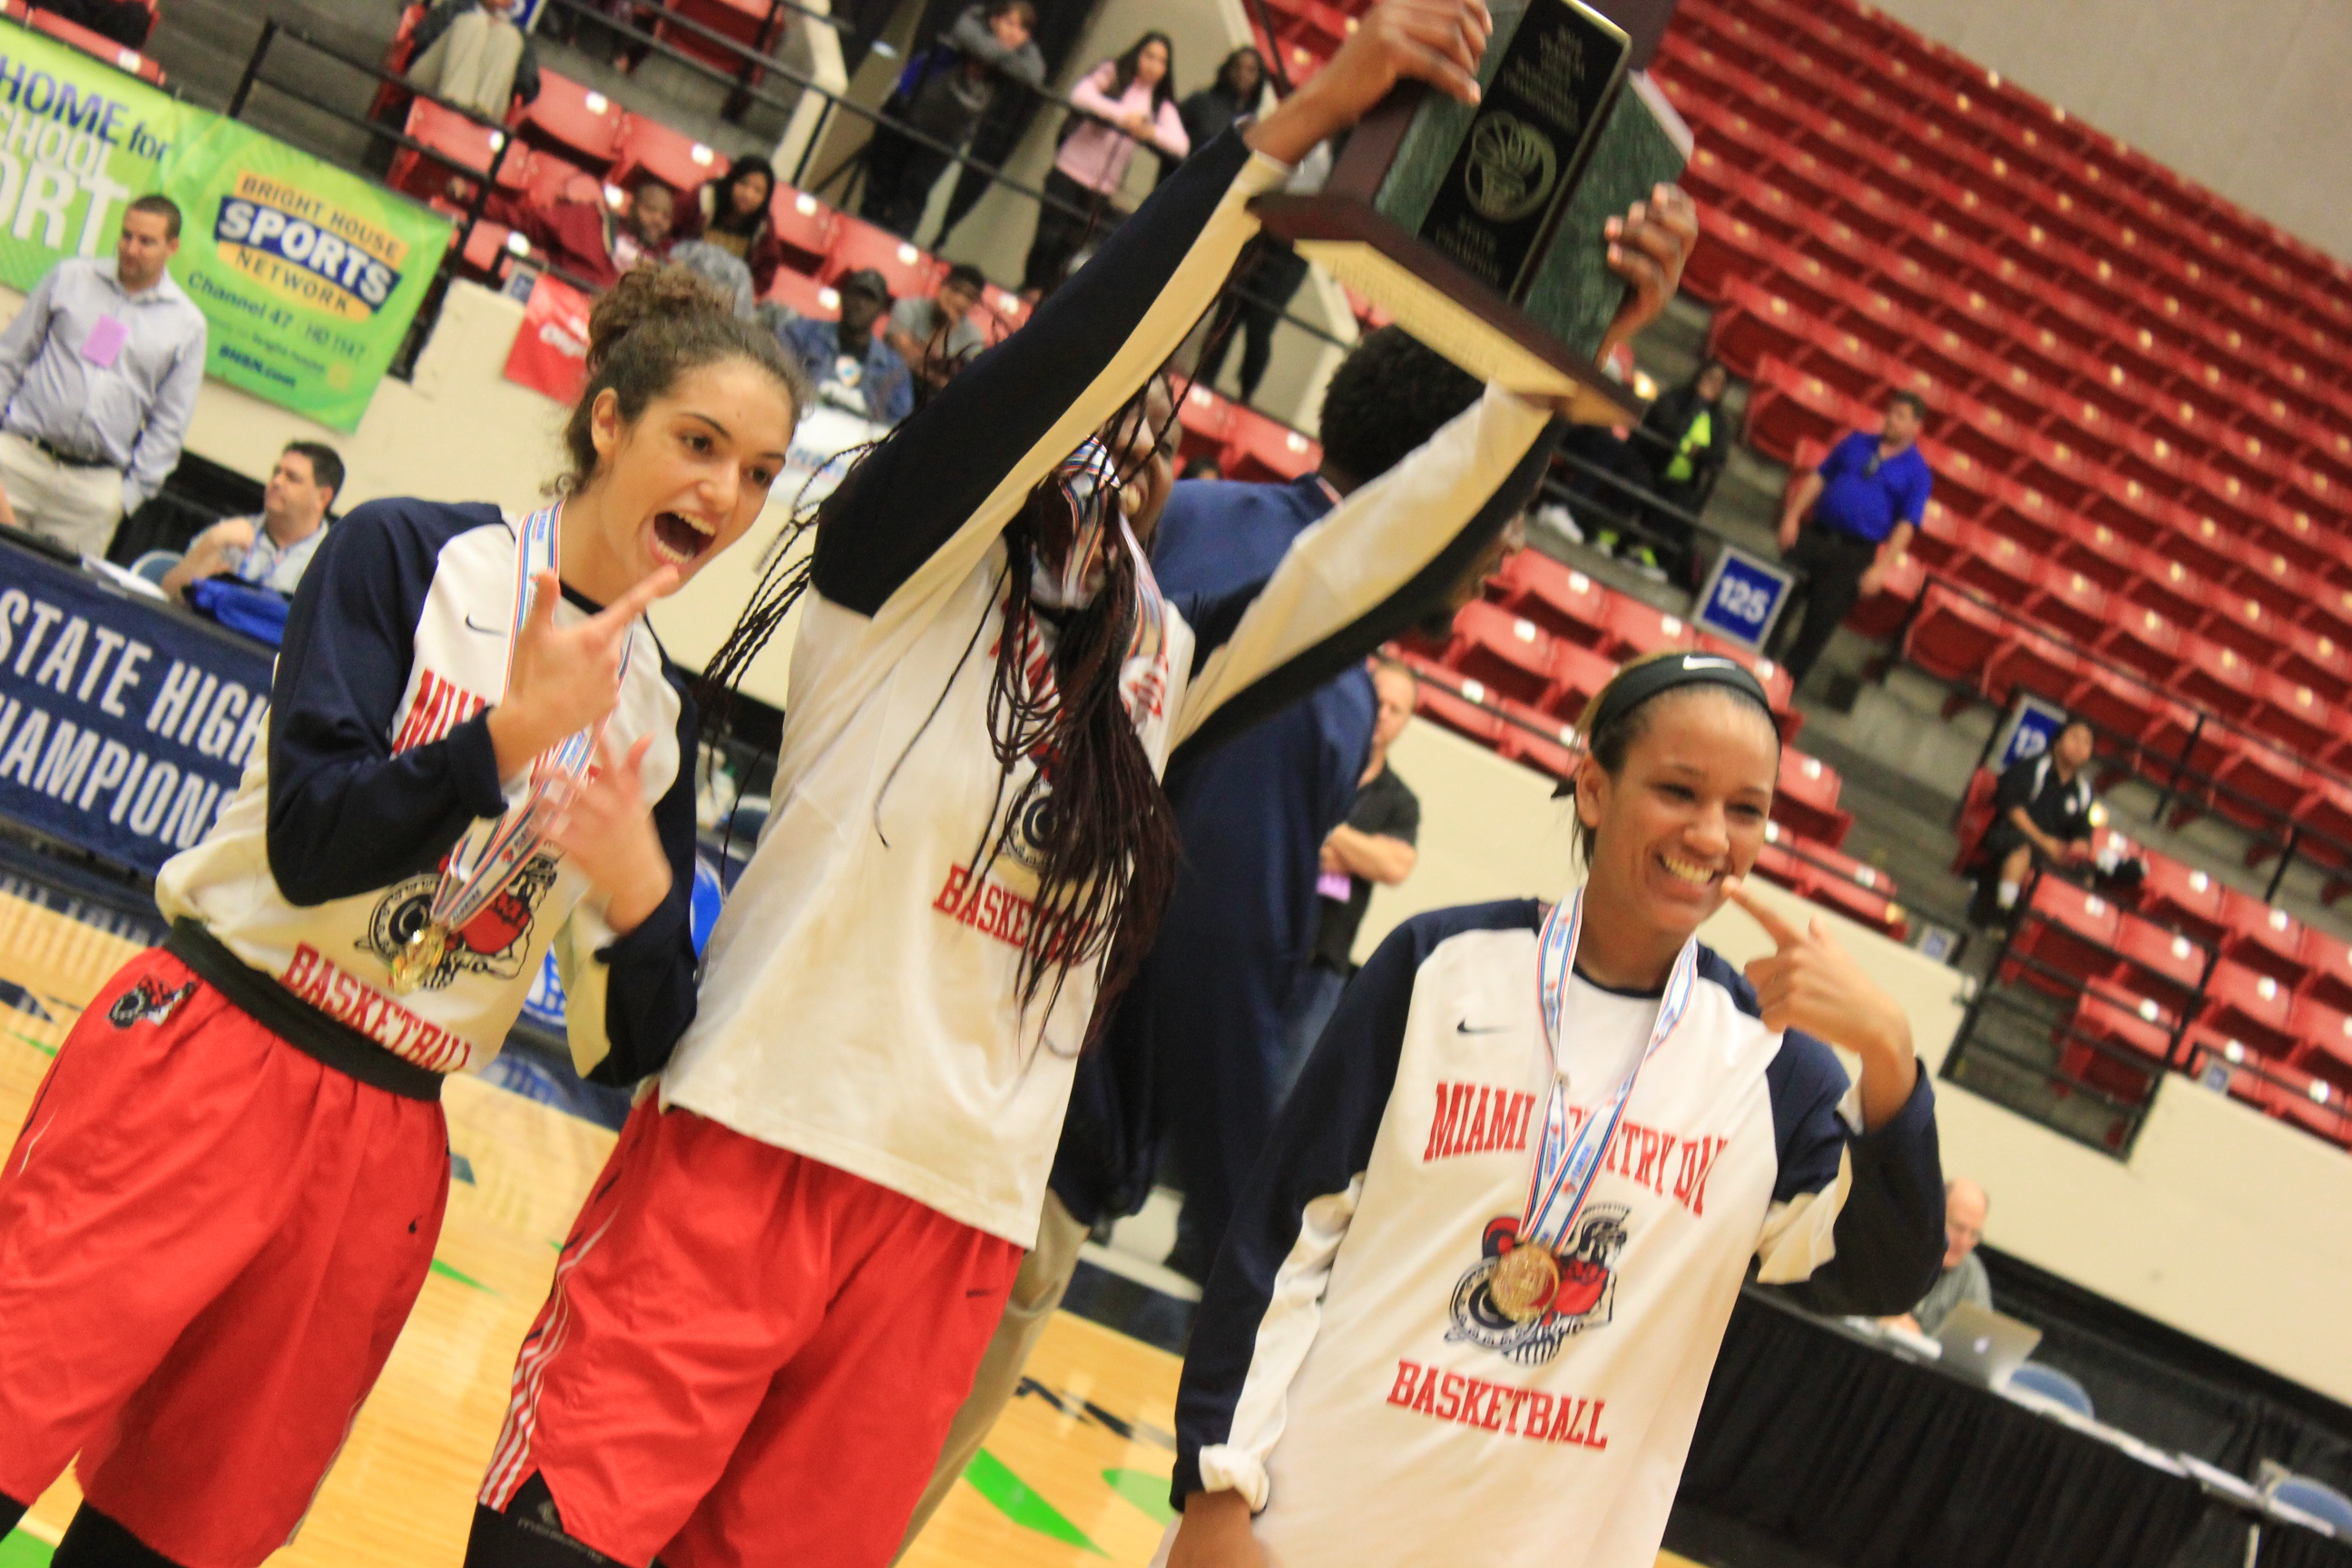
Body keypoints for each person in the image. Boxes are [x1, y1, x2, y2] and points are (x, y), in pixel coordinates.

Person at [463, 8, 1697, 1562]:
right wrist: (1295, 126)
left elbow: (1379, 555)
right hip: (756, 1140)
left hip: (960, 1220)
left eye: (1155, 437)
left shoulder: (1167, 663)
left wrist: (1567, 364)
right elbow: (1074, 357)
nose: (1128, 451)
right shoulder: (895, 563)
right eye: (1102, 423)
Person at [903, 207, 1692, 1568]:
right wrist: (1246, 1230)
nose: (1502, 557)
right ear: (1440, 493)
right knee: (867, 1489)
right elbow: (1211, 950)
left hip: (939, 1028)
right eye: (1499, 516)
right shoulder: (1315, 685)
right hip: (1030, 1135)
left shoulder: (1202, 513)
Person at [0, 268, 805, 1568]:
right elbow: (313, 842)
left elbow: (626, 1051)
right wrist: (502, 741)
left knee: (181, 1541)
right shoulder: (408, 554)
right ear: (609, 422)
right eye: (699, 444)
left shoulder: (658, 717)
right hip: (217, 1049)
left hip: (387, 1141)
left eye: (759, 474)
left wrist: (644, 892)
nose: (724, 495)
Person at [1163, 650, 1946, 1568]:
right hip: (1299, 1532)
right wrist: (1216, 1493)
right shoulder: (1438, 965)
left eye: (1747, 809)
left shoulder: (1768, 1064)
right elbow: (1279, 1240)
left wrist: (1889, 1053)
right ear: (1594, 788)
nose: (1710, 834)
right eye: (1679, 790)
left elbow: (1883, 1273)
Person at [0, 194, 205, 559]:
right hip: (19, 459)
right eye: (126, 236)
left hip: (90, 491)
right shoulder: (70, 277)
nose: (131, 248)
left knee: (55, 588)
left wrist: (125, 497)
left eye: (146, 241)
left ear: (172, 247)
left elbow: (170, 424)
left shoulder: (187, 324)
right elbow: (10, 357)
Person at [1288, 657, 1422, 1091]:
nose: (1383, 714)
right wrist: (1362, 850)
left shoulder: (1400, 801)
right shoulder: (1318, 754)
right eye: (1379, 701)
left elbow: (1395, 865)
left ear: (1405, 722)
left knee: (1288, 1092)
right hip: (1270, 935)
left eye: (1396, 709)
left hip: (1325, 963)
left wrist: (1327, 830)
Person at [1769, 389, 1931, 687]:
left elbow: (1906, 525)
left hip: (1853, 555)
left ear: (1915, 427)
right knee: (1775, 603)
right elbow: (1820, 476)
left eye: (1900, 416)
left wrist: (1882, 568)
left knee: (1816, 629)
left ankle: (1781, 687)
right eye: (1891, 413)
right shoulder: (1857, 441)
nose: (1891, 420)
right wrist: (1792, 516)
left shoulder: (1918, 473)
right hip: (1816, 535)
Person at [861, 0, 1046, 242]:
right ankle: (861, 236)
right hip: (909, 105)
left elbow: (1035, 74)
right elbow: (975, 43)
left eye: (1022, 29)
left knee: (914, 193)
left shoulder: (1024, 53)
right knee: (882, 180)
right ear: (994, 20)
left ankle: (892, 247)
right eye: (1009, 23)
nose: (1014, 33)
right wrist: (1005, 58)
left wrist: (998, 57)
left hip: (950, 132)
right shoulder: (973, 20)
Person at [1020, 32, 1190, 298]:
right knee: (1047, 237)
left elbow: (1181, 144)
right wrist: (1122, 117)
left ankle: (1045, 298)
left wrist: (1150, 132)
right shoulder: (1112, 72)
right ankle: (1030, 288)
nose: (1153, 65)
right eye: (1149, 56)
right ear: (1137, 54)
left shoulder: (1159, 103)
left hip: (1103, 187)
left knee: (1071, 247)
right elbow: (1081, 95)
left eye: (1161, 61)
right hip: (1069, 169)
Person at [160, 442, 345, 603]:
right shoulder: (227, 535)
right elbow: (166, 595)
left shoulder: (332, 565)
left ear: (323, 497)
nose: (277, 482)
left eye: (292, 478)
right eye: (276, 472)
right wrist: (211, 544)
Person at [1976, 717, 2098, 921]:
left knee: (2086, 874)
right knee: (2021, 850)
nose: (2080, 746)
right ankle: (2002, 913)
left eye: (2087, 743)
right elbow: (2012, 808)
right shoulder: (2032, 767)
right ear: (2057, 742)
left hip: (2051, 850)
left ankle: (2059, 925)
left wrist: (2080, 844)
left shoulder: (2084, 791)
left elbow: (2083, 830)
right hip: (2012, 834)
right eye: (2075, 738)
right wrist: (2043, 841)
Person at [1622, 358, 1728, 581]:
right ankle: (1611, 538)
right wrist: (1698, 404)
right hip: (1651, 463)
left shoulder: (1718, 421)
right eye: (1711, 378)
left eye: (1720, 383)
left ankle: (1650, 556)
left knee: (1684, 503)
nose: (1713, 385)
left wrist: (1699, 453)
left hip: (1681, 480)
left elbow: (1719, 455)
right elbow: (1671, 429)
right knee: (1636, 480)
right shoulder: (1675, 398)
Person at [483, 173, 678, 291]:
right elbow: (524, 221)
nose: (658, 220)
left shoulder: (663, 271)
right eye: (650, 210)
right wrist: (474, 195)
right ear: (631, 207)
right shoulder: (590, 221)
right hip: (552, 311)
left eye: (666, 217)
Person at [778, 268, 915, 425]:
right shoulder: (802, 334)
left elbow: (899, 423)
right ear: (842, 296)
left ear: (881, 310)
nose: (860, 304)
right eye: (855, 294)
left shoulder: (894, 369)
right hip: (801, 422)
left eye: (870, 299)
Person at [1887, 1178, 1991, 1336]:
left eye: (1974, 1234)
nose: (1964, 1242)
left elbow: (1980, 1337)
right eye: (1958, 1227)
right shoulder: (1893, 1243)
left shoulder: (1971, 1273)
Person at [672, 154, 785, 299]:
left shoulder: (763, 228)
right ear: (731, 181)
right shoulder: (703, 200)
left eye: (758, 191)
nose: (748, 195)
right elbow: (668, 231)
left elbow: (763, 276)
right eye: (743, 184)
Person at [408, 0, 542, 118]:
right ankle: (455, 105)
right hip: (430, 83)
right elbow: (421, 40)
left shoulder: (518, 35)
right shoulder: (456, 6)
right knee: (474, 22)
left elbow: (528, 89)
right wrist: (479, 20)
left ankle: (480, 113)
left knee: (507, 36)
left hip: (486, 112)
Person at [886, 262, 991, 399]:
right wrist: (939, 371)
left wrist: (918, 346)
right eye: (955, 290)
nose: (959, 301)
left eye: (969, 297)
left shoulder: (974, 337)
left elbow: (958, 384)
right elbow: (903, 353)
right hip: (889, 380)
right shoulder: (908, 306)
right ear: (941, 285)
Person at [1180, 46, 1269, 151]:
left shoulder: (1251, 125)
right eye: (1237, 67)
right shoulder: (1200, 102)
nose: (1242, 74)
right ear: (1227, 69)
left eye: (1251, 70)